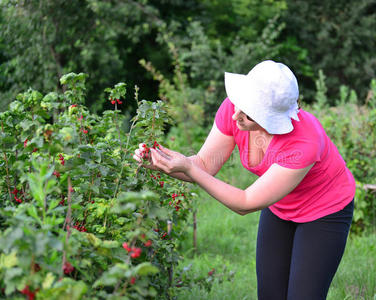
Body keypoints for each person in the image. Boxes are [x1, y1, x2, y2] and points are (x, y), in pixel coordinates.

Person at [133, 60, 355, 300]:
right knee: (270, 294)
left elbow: (246, 202)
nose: (235, 113)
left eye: (248, 112)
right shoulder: (235, 110)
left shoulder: (304, 143)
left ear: (269, 117)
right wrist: (161, 162)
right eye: (239, 104)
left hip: (324, 211)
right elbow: (205, 165)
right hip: (281, 207)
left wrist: (188, 168)